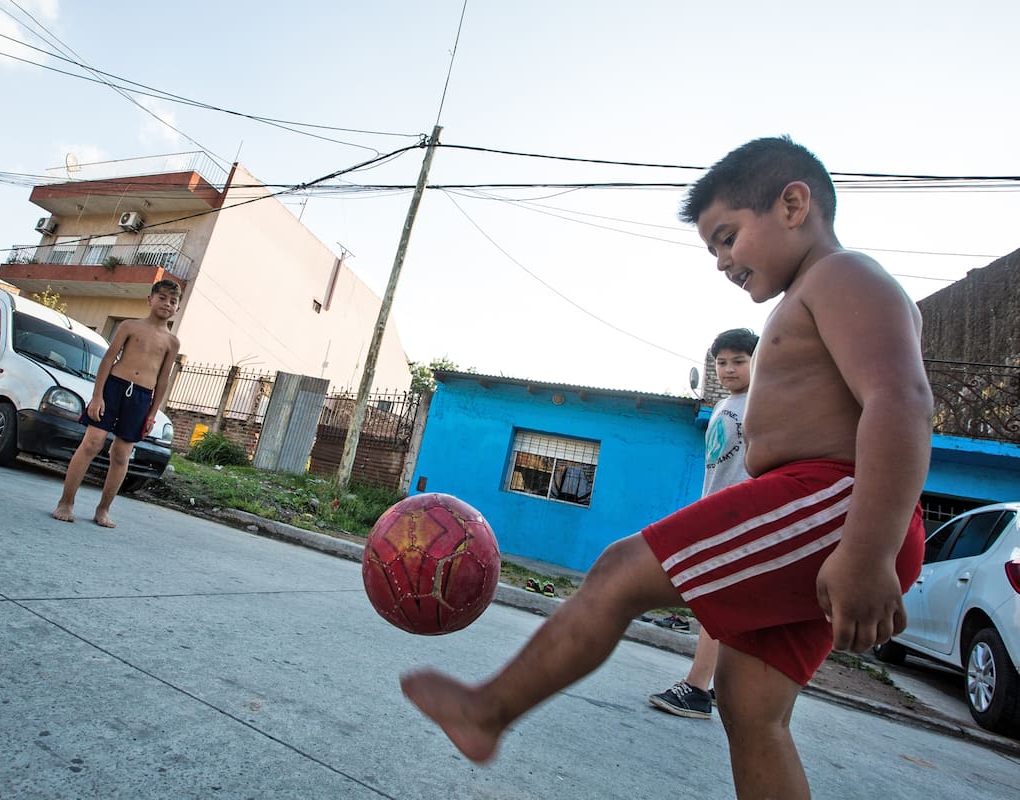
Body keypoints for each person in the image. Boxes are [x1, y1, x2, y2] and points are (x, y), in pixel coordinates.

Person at [399, 136, 933, 799]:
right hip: (822, 516)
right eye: (712, 248)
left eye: (728, 237)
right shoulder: (811, 295)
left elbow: (901, 400)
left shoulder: (843, 276)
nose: (721, 261)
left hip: (838, 508)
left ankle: (488, 712)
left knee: (622, 571)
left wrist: (867, 552)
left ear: (794, 203)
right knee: (749, 707)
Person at [648, 327, 758, 719]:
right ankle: (715, 689)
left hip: (741, 516)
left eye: (738, 361)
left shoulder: (763, 403)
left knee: (716, 602)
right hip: (716, 510)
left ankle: (697, 688)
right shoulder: (729, 403)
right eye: (722, 362)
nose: (728, 369)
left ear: (757, 361)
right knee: (717, 603)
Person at [53, 279, 182, 527]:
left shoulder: (172, 342)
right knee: (92, 443)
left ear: (177, 308)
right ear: (150, 300)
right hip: (114, 388)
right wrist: (98, 395)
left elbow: (163, 379)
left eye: (173, 301)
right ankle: (66, 502)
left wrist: (152, 414)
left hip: (142, 398)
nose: (167, 304)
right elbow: (108, 359)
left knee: (122, 454)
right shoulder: (129, 326)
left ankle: (103, 509)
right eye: (162, 297)